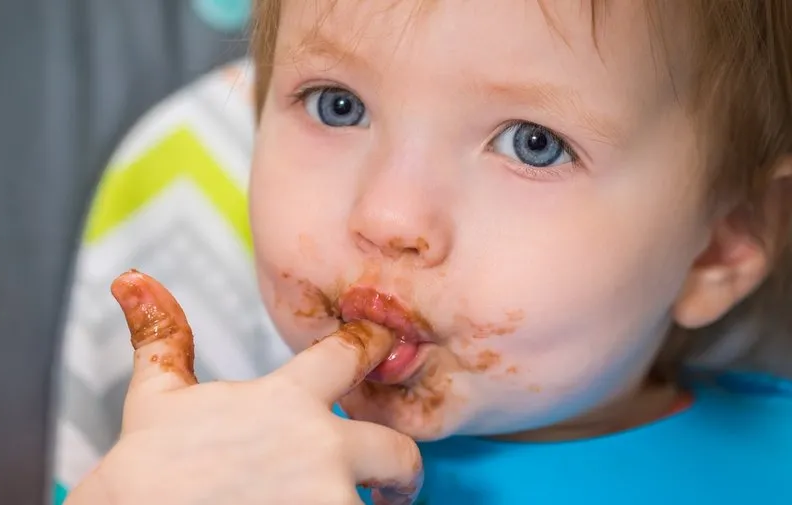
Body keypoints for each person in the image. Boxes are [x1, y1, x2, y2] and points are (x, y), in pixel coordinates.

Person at [66, 1, 792, 503]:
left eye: (532, 145)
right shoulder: (197, 472)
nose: (387, 217)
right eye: (335, 104)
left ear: (722, 240)